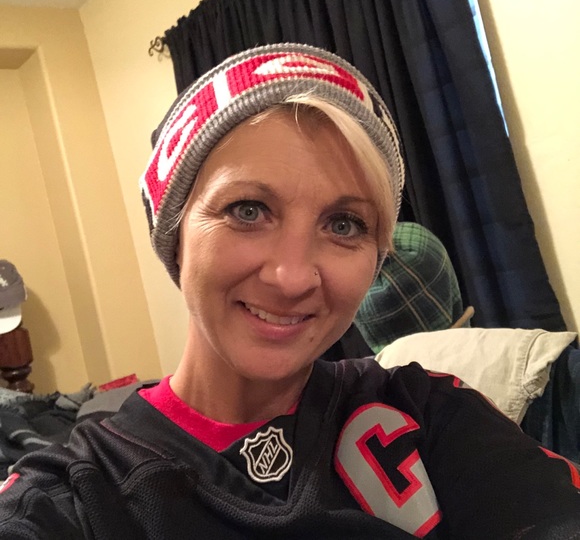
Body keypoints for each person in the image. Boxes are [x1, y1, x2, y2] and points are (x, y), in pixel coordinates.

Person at [0, 44, 579, 540]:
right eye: (248, 210)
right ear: (176, 235)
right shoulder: (78, 495)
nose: (293, 276)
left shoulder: (428, 413)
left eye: (344, 224)